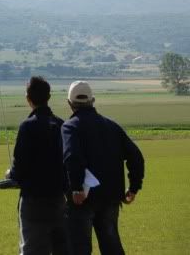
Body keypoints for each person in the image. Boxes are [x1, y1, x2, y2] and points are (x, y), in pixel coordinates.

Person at [61, 81, 145, 255]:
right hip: (111, 197)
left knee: (79, 248)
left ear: (69, 103)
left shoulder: (70, 127)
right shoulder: (112, 126)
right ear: (93, 100)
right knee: (112, 246)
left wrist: (76, 188)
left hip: (82, 199)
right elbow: (136, 157)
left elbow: (72, 157)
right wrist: (134, 187)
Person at [7, 76, 69, 255]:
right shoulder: (61, 125)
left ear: (28, 99)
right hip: (58, 200)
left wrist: (10, 174)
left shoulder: (27, 127)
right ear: (48, 97)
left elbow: (20, 167)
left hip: (32, 201)